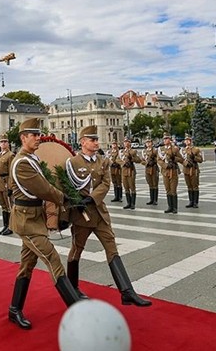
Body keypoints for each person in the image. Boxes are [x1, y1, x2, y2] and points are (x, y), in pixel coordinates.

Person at [65, 126, 151, 307]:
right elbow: (66, 185)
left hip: (99, 213)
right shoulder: (73, 162)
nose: (96, 142)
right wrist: (75, 201)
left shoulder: (103, 161)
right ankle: (73, 287)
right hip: (82, 216)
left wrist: (92, 198)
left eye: (97, 139)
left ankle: (127, 292)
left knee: (112, 248)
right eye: (92, 140)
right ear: (83, 142)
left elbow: (105, 183)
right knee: (76, 250)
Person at [7, 118, 80, 330]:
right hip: (26, 221)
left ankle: (14, 309)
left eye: (39, 134)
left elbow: (46, 187)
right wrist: (67, 199)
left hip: (34, 218)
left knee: (26, 265)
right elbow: (44, 189)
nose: (39, 138)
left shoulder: (32, 158)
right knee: (53, 259)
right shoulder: (22, 163)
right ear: (23, 138)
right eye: (34, 135)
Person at [0, 135, 15, 236]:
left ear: (8, 143)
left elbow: (11, 172)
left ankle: (10, 227)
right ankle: (5, 225)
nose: (3, 143)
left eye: (5, 142)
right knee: (3, 205)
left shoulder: (10, 155)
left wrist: (10, 187)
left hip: (6, 182)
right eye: (1, 142)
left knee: (9, 205)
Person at [157, 133, 183, 214]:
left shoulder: (175, 149)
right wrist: (165, 165)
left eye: (167, 139)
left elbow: (181, 159)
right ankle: (170, 207)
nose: (165, 140)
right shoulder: (161, 149)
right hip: (165, 171)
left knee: (173, 190)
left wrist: (174, 159)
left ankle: (175, 207)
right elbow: (159, 160)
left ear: (170, 140)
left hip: (173, 171)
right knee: (167, 189)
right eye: (164, 139)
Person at [180, 134, 204, 208]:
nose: (187, 141)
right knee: (189, 186)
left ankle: (195, 202)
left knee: (195, 186)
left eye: (188, 140)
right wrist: (185, 163)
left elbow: (201, 160)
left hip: (194, 169)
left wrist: (194, 157)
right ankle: (191, 201)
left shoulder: (196, 149)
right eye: (186, 140)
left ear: (191, 141)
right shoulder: (183, 150)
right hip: (186, 169)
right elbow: (181, 159)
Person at [119, 139, 142, 209]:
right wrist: (123, 163)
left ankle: (133, 203)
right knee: (126, 187)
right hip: (124, 170)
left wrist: (132, 158)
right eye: (125, 142)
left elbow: (139, 160)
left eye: (127, 142)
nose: (126, 143)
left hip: (131, 170)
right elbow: (117, 159)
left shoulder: (133, 151)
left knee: (132, 187)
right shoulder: (121, 151)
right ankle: (128, 203)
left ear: (130, 143)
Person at [142, 139, 159, 205]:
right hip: (147, 168)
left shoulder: (155, 150)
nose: (148, 144)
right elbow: (142, 160)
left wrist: (154, 160)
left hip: (154, 168)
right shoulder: (144, 151)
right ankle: (151, 199)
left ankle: (155, 200)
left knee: (155, 183)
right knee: (150, 183)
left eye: (149, 142)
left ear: (152, 143)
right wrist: (146, 163)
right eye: (147, 142)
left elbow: (159, 158)